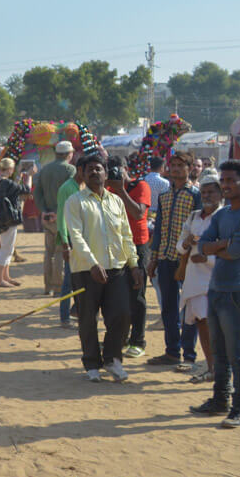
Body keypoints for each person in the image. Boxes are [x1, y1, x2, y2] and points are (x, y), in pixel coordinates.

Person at [190, 160, 240, 429]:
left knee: (238, 354)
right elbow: (203, 246)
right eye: (223, 180)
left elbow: (235, 253)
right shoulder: (222, 216)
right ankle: (220, 400)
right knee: (219, 352)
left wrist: (218, 247)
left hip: (237, 292)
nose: (225, 185)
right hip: (216, 290)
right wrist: (225, 243)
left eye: (231, 180)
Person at [64, 153, 141, 382]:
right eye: (89, 169)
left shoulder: (116, 201)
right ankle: (91, 363)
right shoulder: (75, 202)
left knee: (122, 314)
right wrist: (92, 263)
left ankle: (112, 359)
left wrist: (134, 263)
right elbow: (75, 236)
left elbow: (126, 234)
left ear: (106, 173)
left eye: (98, 168)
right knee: (88, 318)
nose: (94, 172)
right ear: (83, 174)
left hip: (116, 268)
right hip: (87, 270)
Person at [146, 152, 200, 367]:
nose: (176, 169)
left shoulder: (195, 195)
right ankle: (171, 351)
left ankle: (188, 354)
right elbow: (159, 229)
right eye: (173, 165)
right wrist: (154, 258)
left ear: (189, 169)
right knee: (168, 307)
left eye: (181, 165)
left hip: (187, 260)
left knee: (188, 308)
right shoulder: (165, 196)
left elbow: (198, 228)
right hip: (166, 257)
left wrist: (188, 258)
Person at [175, 170, 222, 383]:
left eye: (211, 192)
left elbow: (231, 247)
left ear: (220, 194)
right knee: (201, 322)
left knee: (215, 324)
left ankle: (219, 368)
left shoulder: (225, 216)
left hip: (218, 277)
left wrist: (207, 257)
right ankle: (212, 367)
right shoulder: (194, 216)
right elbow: (180, 245)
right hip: (195, 278)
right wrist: (186, 244)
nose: (207, 196)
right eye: (204, 192)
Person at [106, 157, 151, 358]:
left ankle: (138, 340)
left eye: (118, 170)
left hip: (138, 245)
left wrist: (121, 189)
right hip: (115, 247)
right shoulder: (107, 190)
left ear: (126, 169)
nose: (116, 174)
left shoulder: (140, 185)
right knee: (116, 296)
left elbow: (138, 213)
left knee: (137, 295)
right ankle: (120, 337)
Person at [34, 141, 76, 295]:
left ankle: (47, 287)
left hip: (47, 216)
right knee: (60, 253)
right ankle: (58, 287)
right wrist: (58, 213)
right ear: (68, 154)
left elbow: (37, 193)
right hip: (62, 217)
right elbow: (70, 195)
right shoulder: (70, 170)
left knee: (48, 252)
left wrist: (44, 211)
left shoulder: (45, 169)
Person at [54, 162, 85, 329]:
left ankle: (75, 311)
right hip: (71, 240)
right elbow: (62, 217)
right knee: (68, 280)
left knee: (80, 279)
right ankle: (64, 317)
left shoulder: (80, 187)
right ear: (80, 171)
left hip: (81, 239)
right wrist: (65, 242)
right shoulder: (68, 188)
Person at [0, 157, 28, 288]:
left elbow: (13, 189)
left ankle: (5, 276)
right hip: (8, 219)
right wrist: (29, 176)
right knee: (6, 249)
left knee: (8, 248)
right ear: (10, 169)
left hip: (0, 218)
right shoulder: (6, 183)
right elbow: (26, 189)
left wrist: (20, 177)